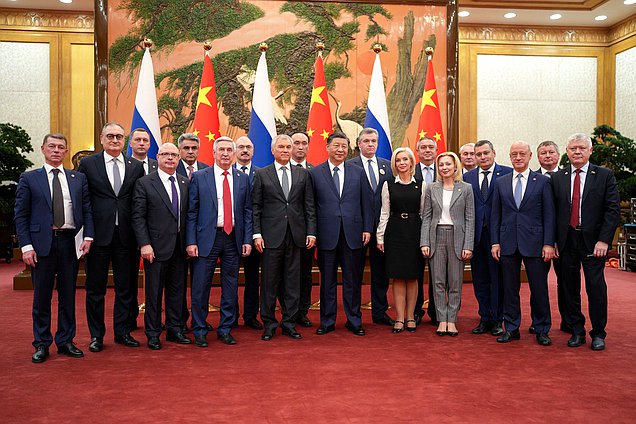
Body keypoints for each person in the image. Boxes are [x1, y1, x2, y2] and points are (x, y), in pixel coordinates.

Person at [15, 133, 94, 363]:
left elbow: (87, 209)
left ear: (66, 151)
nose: (56, 150)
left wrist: (88, 236)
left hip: (70, 242)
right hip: (41, 245)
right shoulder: (29, 179)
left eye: (61, 147)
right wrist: (26, 246)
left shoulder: (78, 178)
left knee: (68, 295)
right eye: (52, 146)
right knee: (42, 297)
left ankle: (66, 340)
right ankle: (41, 343)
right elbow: (21, 215)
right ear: (43, 149)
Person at [78, 122, 145, 352]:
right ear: (101, 138)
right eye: (110, 136)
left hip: (127, 237)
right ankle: (96, 335)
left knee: (125, 288)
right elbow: (83, 199)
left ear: (124, 140)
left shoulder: (135, 166)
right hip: (98, 236)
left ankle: (123, 331)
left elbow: (139, 202)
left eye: (119, 136)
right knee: (95, 289)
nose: (115, 140)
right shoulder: (88, 164)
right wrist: (85, 233)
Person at [551, 133, 620, 350]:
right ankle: (577, 331)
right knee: (569, 287)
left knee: (595, 287)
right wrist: (553, 241)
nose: (577, 152)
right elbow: (551, 212)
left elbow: (612, 210)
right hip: (566, 240)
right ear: (567, 152)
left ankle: (598, 333)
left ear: (590, 151)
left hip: (593, 242)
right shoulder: (558, 177)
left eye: (581, 148)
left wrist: (604, 241)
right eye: (573, 148)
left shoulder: (604, 175)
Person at [186, 136, 253, 347]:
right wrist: (191, 241)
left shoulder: (242, 178)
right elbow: (191, 211)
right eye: (221, 150)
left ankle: (225, 327)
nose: (225, 153)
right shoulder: (199, 177)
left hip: (233, 238)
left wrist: (247, 239)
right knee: (200, 286)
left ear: (233, 154)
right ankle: (199, 328)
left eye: (228, 150)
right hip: (206, 238)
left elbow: (247, 211)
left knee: (230, 285)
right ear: (213, 153)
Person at [252, 134, 317, 341]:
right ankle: (269, 323)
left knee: (292, 282)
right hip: (270, 237)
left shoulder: (302, 174)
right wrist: (257, 234)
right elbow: (256, 207)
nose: (286, 150)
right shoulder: (262, 174)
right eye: (281, 147)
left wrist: (311, 231)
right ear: (273, 150)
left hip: (296, 236)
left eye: (288, 147)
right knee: (270, 283)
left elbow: (309, 206)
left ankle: (289, 322)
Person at [491, 141, 555, 346]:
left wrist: (548, 243)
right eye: (514, 154)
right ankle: (511, 328)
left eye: (522, 154)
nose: (518, 158)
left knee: (539, 289)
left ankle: (542, 328)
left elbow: (549, 215)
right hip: (507, 242)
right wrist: (495, 242)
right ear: (509, 157)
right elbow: (496, 215)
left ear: (529, 156)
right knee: (510, 288)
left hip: (536, 243)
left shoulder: (542, 182)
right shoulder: (500, 182)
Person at [309, 132, 373, 336]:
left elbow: (367, 203)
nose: (340, 150)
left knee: (352, 280)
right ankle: (327, 321)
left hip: (353, 233)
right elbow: (311, 206)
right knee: (327, 281)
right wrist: (313, 232)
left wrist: (367, 228)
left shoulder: (358, 172)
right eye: (336, 145)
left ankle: (354, 320)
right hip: (326, 234)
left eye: (344, 146)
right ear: (327, 147)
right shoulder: (315, 173)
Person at [132, 142, 192, 349]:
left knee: (177, 291)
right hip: (155, 248)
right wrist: (145, 244)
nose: (170, 158)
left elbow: (188, 216)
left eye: (174, 155)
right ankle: (153, 333)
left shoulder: (185, 182)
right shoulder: (145, 183)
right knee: (154, 293)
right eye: (165, 154)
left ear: (179, 158)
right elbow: (138, 216)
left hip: (180, 247)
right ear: (157, 157)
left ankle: (175, 329)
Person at [421, 152, 474, 336]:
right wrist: (424, 242)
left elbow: (469, 218)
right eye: (441, 164)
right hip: (436, 236)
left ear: (455, 166)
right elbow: (426, 217)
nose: (444, 167)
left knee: (455, 281)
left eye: (448, 164)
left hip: (457, 238)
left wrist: (468, 245)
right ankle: (441, 319)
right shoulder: (431, 188)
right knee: (437, 281)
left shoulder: (466, 188)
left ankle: (452, 320)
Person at [463, 139, 512, 337]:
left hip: (499, 236)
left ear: (493, 153)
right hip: (476, 236)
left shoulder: (507, 173)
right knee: (480, 279)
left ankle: (498, 319)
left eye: (486, 153)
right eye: (478, 154)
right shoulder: (468, 177)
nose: (482, 157)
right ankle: (484, 317)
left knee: (497, 279)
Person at [348, 128, 394, 326]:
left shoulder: (387, 165)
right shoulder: (349, 166)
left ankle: (380, 312)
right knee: (355, 273)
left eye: (374, 141)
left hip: (382, 229)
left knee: (381, 274)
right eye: (366, 141)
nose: (370, 144)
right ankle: (354, 315)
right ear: (359, 144)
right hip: (358, 230)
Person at [377, 148, 425, 333]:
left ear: (412, 162)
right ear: (394, 164)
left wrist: (424, 239)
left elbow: (423, 213)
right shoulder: (388, 184)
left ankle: (411, 316)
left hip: (414, 231)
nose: (402, 162)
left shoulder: (421, 185)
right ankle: (399, 317)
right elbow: (384, 212)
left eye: (406, 159)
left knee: (413, 276)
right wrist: (380, 237)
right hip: (394, 232)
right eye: (398, 160)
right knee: (397, 276)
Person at [175, 132, 210, 332]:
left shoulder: (206, 170)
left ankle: (200, 320)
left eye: (194, 148)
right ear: (179, 151)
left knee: (200, 282)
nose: (190, 151)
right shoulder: (171, 167)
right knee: (178, 281)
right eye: (186, 148)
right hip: (176, 236)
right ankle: (178, 320)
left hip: (203, 237)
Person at [535, 140, 569, 334]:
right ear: (537, 157)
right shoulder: (531, 178)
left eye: (551, 152)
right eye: (543, 153)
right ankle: (538, 321)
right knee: (538, 284)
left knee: (566, 283)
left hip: (566, 241)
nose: (547, 156)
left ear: (558, 155)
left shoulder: (567, 177)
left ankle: (569, 321)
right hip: (538, 241)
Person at [232, 135, 263, 330]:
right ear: (235, 150)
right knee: (231, 277)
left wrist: (256, 233)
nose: (244, 150)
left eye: (248, 147)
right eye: (241, 147)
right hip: (231, 234)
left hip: (253, 234)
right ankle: (231, 316)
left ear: (253, 151)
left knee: (253, 277)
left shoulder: (261, 174)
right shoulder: (225, 172)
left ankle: (251, 315)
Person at [290, 131, 315, 327]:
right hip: (283, 233)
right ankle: (287, 309)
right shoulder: (279, 170)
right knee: (286, 273)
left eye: (303, 143)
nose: (300, 147)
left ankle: (302, 311)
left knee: (305, 273)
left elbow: (312, 206)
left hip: (306, 234)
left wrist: (312, 231)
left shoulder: (313, 172)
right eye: (295, 143)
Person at [413, 136, 438, 325]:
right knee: (417, 271)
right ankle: (416, 309)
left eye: (431, 147)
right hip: (416, 229)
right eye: (423, 147)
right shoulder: (410, 171)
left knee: (438, 273)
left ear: (436, 151)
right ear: (417, 151)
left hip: (441, 230)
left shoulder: (447, 170)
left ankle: (437, 311)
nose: (427, 150)